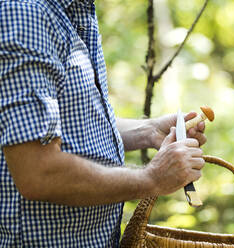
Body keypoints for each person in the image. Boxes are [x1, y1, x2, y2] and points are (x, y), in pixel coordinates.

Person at [0, 0, 206, 247]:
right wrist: (152, 179)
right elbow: (38, 172)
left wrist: (148, 131)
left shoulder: (79, 11)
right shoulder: (26, 14)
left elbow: (69, 126)